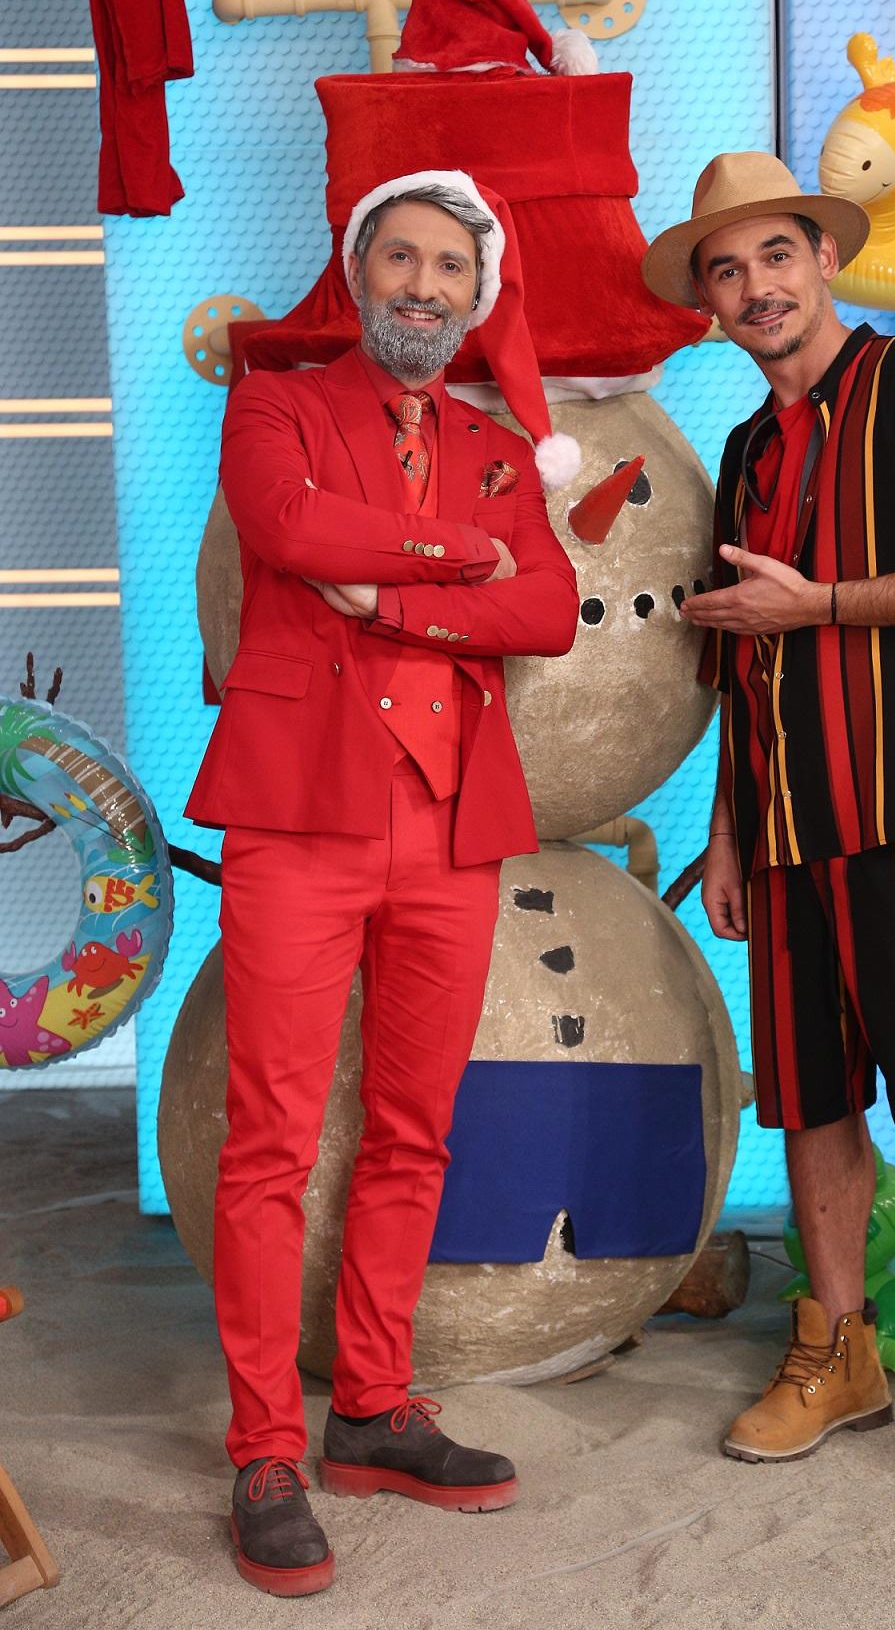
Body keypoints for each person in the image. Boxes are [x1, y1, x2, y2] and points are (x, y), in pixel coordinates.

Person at [186, 170, 579, 1595]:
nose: (423, 285)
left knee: (415, 1133)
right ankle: (263, 1450)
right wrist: (464, 559)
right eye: (399, 258)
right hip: (299, 812)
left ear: (477, 296)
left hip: (453, 823)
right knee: (270, 1144)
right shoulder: (275, 406)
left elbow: (550, 608)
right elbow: (292, 532)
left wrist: (404, 594)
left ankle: (370, 1406)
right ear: (360, 276)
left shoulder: (498, 446)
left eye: (449, 267)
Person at [642, 153, 895, 1508]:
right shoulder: (747, 452)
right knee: (810, 1100)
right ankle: (839, 1354)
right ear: (710, 303)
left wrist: (813, 603)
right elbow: (739, 660)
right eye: (726, 270)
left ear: (823, 260)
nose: (755, 286)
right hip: (784, 821)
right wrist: (730, 830)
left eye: (775, 255)